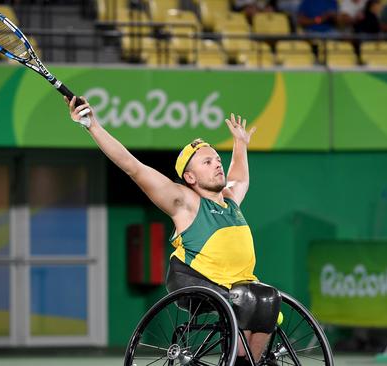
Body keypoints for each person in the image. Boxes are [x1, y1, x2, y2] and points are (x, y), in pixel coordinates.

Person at [65, 97, 282, 365]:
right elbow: (133, 167)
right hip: (198, 280)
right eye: (207, 162)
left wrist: (240, 144)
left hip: (240, 283)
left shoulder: (230, 200)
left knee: (267, 298)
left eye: (217, 159)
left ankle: (250, 360)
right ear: (190, 178)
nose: (217, 164)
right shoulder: (185, 203)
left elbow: (240, 177)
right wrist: (93, 126)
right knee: (253, 298)